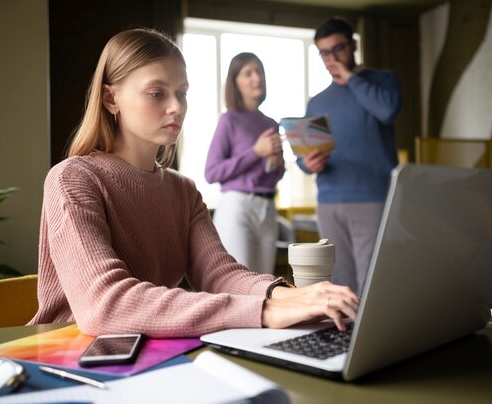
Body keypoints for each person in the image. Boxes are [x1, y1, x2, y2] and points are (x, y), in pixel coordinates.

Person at [28, 28, 359, 338]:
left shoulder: (183, 190)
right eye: (157, 93)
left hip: (150, 352)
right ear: (111, 99)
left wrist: (291, 296)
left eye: (182, 93)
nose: (176, 107)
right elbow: (105, 305)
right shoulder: (72, 179)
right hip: (71, 356)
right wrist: (265, 310)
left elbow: (219, 275)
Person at [298, 17, 403, 295]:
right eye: (324, 52)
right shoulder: (318, 102)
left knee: (375, 281)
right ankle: (345, 339)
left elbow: (387, 111)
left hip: (374, 199)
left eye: (339, 49)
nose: (332, 58)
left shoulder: (383, 81)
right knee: (339, 283)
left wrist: (353, 78)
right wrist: (307, 164)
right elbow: (304, 156)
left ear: (354, 45)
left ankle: (378, 339)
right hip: (329, 203)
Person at [205, 53, 284, 275]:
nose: (256, 78)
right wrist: (255, 152)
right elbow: (211, 172)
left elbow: (274, 175)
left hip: (268, 209)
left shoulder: (271, 124)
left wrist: (275, 164)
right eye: (248, 73)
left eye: (259, 71)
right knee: (240, 282)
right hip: (238, 208)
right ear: (235, 82)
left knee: (265, 283)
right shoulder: (228, 120)